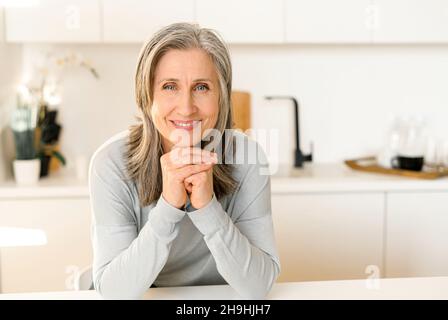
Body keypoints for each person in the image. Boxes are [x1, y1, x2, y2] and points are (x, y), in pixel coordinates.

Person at [89, 22, 280, 299]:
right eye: (169, 86)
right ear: (146, 96)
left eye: (201, 87)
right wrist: (168, 208)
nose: (187, 107)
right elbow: (115, 292)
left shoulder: (248, 159)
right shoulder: (110, 163)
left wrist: (208, 208)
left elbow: (258, 286)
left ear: (221, 96)